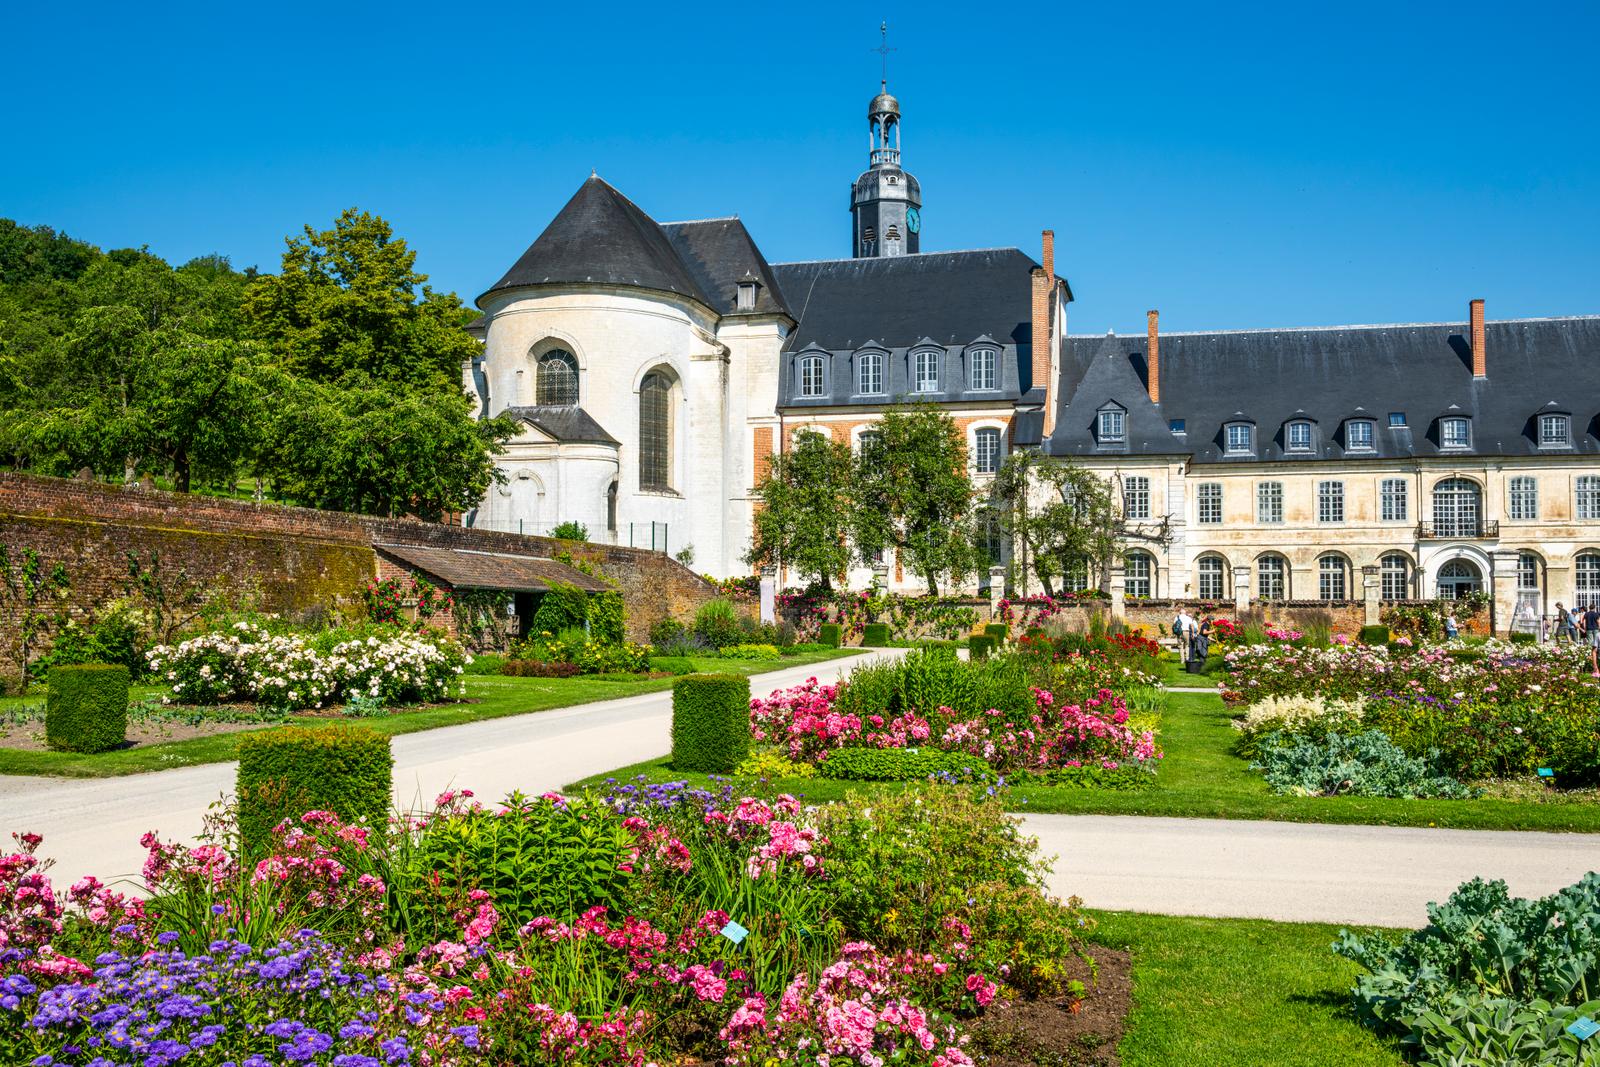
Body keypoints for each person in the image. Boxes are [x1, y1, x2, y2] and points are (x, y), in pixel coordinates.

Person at [1585, 602, 1600, 677]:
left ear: (1589, 608)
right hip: (1596, 629)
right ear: (1594, 608)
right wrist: (1599, 627)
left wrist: (1584, 628)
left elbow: (1583, 621)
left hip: (1589, 629)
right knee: (1597, 643)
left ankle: (1590, 655)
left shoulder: (1586, 614)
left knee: (1591, 643)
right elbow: (1598, 621)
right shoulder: (1596, 614)